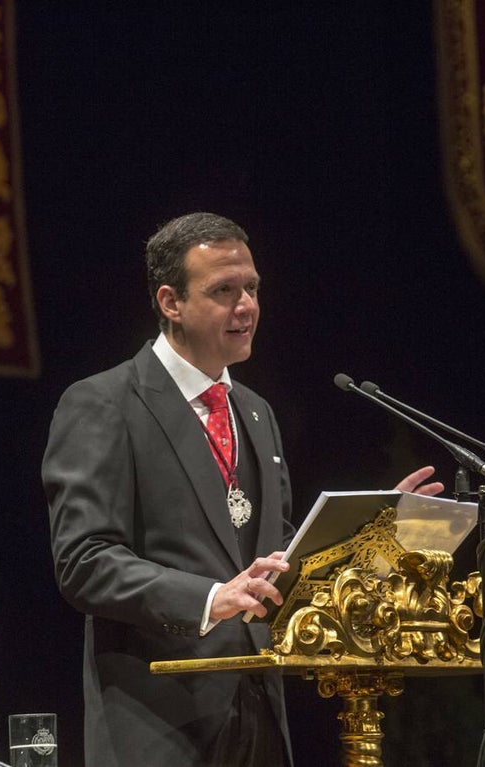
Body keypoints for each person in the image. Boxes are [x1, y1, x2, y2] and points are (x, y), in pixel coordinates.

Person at [42, 212, 442, 767]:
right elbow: (85, 561)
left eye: (251, 288)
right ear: (170, 302)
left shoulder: (255, 413)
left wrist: (370, 535)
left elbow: (278, 563)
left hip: (260, 711)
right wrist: (210, 598)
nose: (246, 306)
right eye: (223, 291)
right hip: (159, 722)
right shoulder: (104, 403)